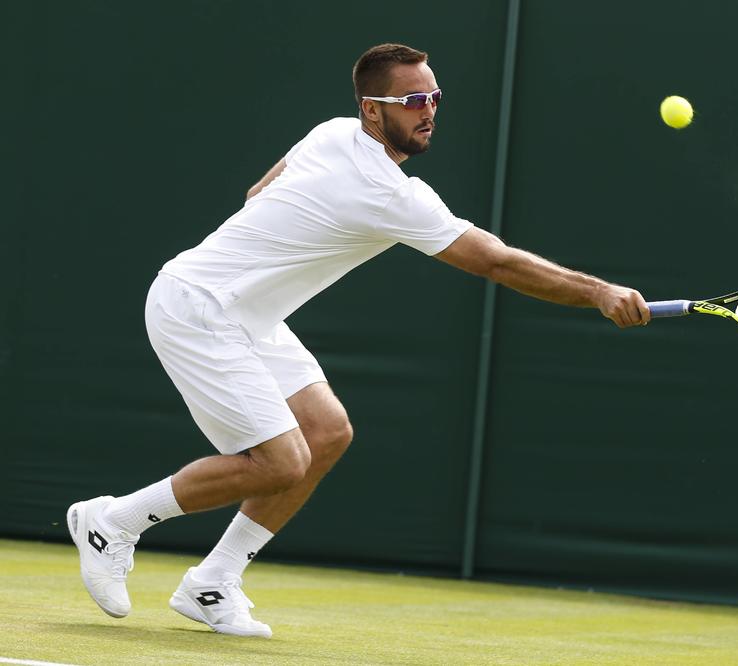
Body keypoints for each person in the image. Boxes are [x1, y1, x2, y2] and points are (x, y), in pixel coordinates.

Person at [66, 43, 650, 639]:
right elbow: (496, 262)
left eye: (435, 97)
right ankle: (113, 522)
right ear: (373, 109)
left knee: (326, 432)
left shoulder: (331, 132)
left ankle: (214, 580)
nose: (429, 111)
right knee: (280, 462)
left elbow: (256, 194)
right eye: (413, 100)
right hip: (198, 307)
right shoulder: (388, 192)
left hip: (247, 314)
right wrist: (599, 292)